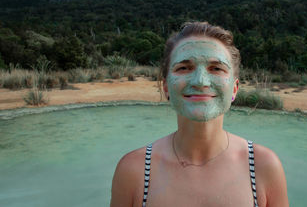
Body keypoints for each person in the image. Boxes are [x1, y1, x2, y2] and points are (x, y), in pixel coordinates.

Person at [110, 22, 289, 207]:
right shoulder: (134, 171)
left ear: (234, 89)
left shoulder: (264, 167)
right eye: (184, 68)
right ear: (166, 87)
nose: (200, 81)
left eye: (216, 68)